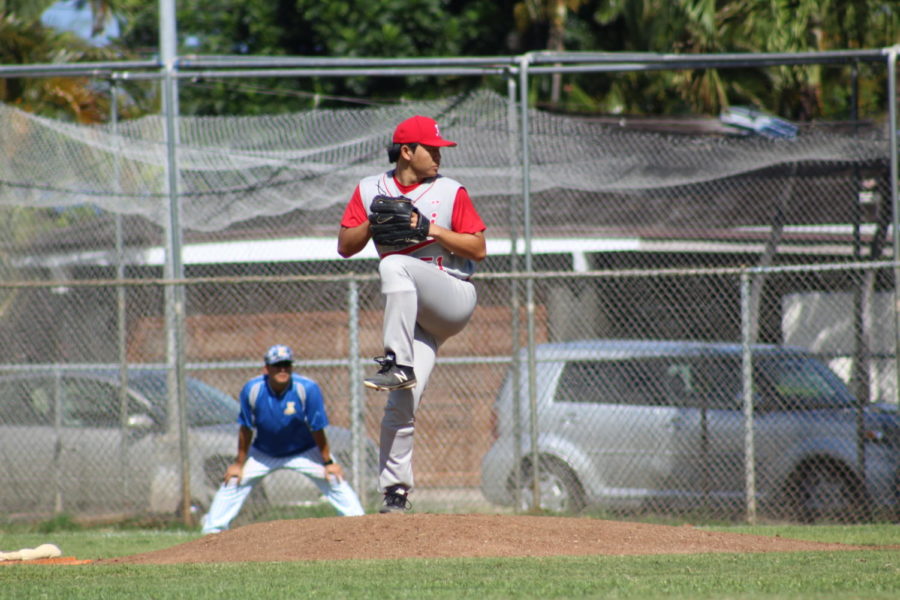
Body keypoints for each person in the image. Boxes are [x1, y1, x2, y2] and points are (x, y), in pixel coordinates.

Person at [337, 115, 487, 513]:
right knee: (401, 402)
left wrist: (432, 229)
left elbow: (478, 249)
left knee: (393, 265)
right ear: (407, 151)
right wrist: (373, 222)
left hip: (451, 296)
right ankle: (395, 492)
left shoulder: (450, 191)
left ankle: (397, 361)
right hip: (415, 321)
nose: (439, 156)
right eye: (432, 149)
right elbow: (345, 246)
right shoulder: (371, 190)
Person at [201, 344, 365, 533]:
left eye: (286, 365)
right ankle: (212, 532)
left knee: (335, 479)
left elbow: (317, 429)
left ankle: (360, 525)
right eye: (277, 366)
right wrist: (238, 463)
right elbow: (246, 429)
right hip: (264, 452)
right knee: (233, 481)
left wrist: (328, 462)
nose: (282, 370)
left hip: (304, 450)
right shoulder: (252, 390)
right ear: (266, 369)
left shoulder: (307, 389)